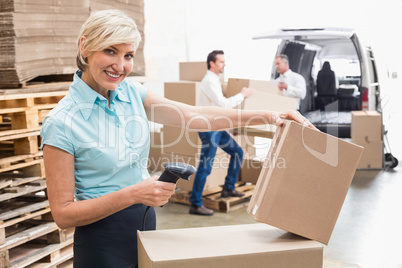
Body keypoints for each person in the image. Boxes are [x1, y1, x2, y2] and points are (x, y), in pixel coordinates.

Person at [40, 9, 317, 268]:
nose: (121, 66)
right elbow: (63, 214)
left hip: (147, 227)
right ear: (85, 47)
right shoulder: (62, 122)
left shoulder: (130, 93)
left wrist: (269, 115)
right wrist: (134, 193)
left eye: (128, 55)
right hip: (102, 242)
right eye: (110, 51)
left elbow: (194, 115)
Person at [189, 50, 254, 216]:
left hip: (217, 127)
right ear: (212, 63)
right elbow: (223, 105)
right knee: (206, 167)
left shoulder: (215, 80)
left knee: (237, 152)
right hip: (209, 130)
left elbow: (218, 109)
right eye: (221, 62)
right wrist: (242, 95)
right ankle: (195, 204)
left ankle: (228, 188)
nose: (224, 65)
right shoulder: (209, 81)